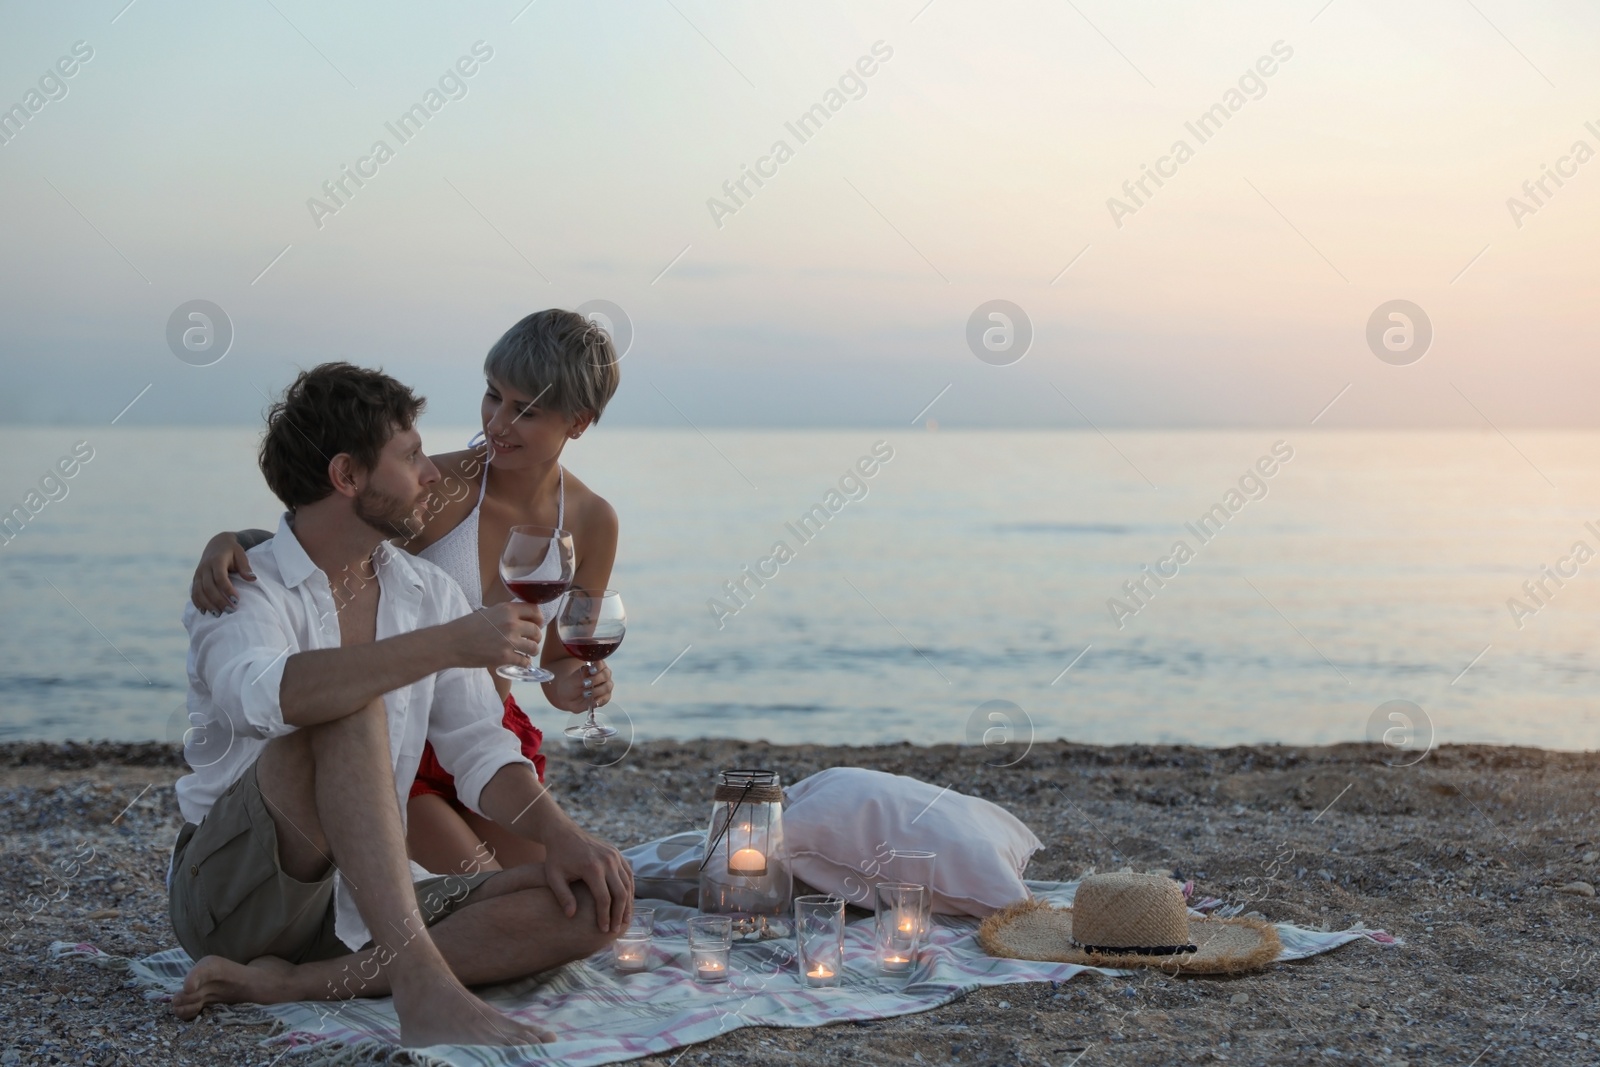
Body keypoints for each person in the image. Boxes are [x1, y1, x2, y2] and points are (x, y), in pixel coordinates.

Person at [168, 363, 631, 1046]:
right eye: (411, 455)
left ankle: (294, 981)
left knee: (590, 903)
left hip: (364, 898)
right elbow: (261, 698)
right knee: (346, 702)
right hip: (239, 893)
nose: (432, 472)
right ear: (347, 476)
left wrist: (563, 832)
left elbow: (479, 746)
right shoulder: (243, 587)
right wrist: (447, 644)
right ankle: (424, 991)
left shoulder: (425, 592)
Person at [190, 310, 621, 878]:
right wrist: (236, 541)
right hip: (400, 736)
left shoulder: (592, 521)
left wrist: (579, 684)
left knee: (559, 888)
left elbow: (559, 661)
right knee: (483, 893)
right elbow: (330, 538)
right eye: (493, 396)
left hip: (483, 729)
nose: (498, 422)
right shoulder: (438, 488)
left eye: (526, 411)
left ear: (579, 422)